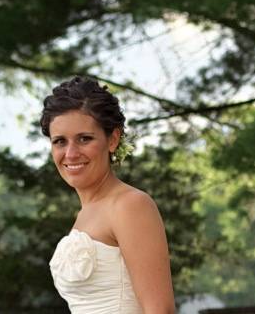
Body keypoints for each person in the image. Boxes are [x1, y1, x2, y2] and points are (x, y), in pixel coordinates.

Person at [41, 76, 175, 314]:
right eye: (60, 141)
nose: (70, 154)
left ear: (112, 139)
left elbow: (160, 310)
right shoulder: (86, 214)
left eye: (84, 139)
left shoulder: (129, 205)